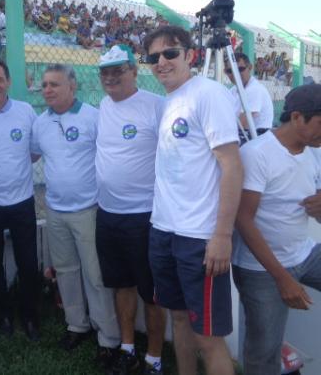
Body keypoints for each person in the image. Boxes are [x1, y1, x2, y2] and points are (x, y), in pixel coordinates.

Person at [143, 25, 243, 375]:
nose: (162, 62)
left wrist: (221, 235)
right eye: (153, 57)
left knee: (208, 338)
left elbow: (232, 166)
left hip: (199, 238)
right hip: (164, 231)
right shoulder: (168, 102)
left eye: (170, 53)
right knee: (179, 321)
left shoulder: (209, 94)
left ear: (190, 55)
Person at [31, 64, 121, 371]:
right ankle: (76, 325)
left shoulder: (93, 117)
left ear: (73, 87)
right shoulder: (40, 123)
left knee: (95, 277)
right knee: (66, 272)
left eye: (54, 84)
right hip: (55, 210)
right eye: (44, 84)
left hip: (88, 210)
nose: (47, 90)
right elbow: (32, 155)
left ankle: (108, 338)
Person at [233, 84, 321, 375]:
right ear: (297, 117)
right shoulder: (257, 153)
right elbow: (243, 220)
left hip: (304, 253)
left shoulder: (313, 150)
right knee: (262, 354)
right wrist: (283, 279)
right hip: (262, 270)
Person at [95, 45, 167, 375]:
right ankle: (127, 349)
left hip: (144, 216)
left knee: (151, 292)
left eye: (118, 70)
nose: (110, 78)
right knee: (121, 285)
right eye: (105, 72)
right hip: (108, 213)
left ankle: (153, 358)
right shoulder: (102, 106)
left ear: (134, 72)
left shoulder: (155, 106)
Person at [0, 59, 41, 341]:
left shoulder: (26, 112)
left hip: (22, 201)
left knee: (28, 263)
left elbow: (35, 152)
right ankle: (2, 315)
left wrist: (14, 171)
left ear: (9, 81)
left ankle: (29, 316)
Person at [224, 52, 274, 143]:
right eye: (230, 71)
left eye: (240, 69)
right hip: (244, 133)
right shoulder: (233, 90)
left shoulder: (254, 89)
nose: (236, 74)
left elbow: (243, 123)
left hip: (257, 136)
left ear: (250, 68)